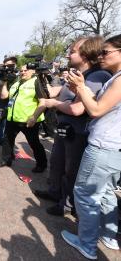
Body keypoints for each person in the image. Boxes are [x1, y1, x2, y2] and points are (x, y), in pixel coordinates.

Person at [34, 36, 111, 217]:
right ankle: (55, 192)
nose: (68, 55)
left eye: (72, 51)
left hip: (78, 133)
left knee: (71, 170)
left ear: (85, 54)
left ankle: (66, 205)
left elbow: (77, 109)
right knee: (57, 163)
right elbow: (51, 93)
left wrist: (54, 104)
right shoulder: (76, 75)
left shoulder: (97, 76)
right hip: (65, 128)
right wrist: (42, 77)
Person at [61, 34, 121, 260]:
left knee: (85, 194)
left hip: (103, 146)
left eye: (106, 52)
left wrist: (80, 87)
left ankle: (86, 244)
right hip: (113, 148)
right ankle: (108, 236)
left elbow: (95, 110)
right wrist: (79, 90)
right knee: (106, 192)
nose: (101, 56)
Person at [0, 65, 47, 172]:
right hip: (13, 119)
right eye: (21, 71)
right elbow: (4, 96)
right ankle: (6, 160)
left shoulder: (36, 82)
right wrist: (4, 82)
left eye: (25, 70)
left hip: (28, 120)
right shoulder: (16, 82)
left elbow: (43, 102)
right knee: (7, 140)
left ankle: (41, 164)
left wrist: (34, 117)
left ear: (32, 71)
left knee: (34, 143)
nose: (23, 72)